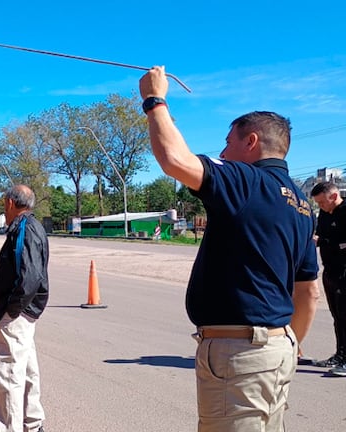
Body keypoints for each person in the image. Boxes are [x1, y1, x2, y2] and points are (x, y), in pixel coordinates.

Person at [139, 66, 320, 431]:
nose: (222, 150)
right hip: (278, 347)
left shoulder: (247, 181)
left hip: (242, 353)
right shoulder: (301, 206)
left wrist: (154, 100)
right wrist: (287, 345)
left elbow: (175, 160)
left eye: (228, 141)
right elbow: (309, 292)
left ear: (251, 142)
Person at [0, 185, 49, 432]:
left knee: (9, 375)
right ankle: (33, 424)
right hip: (24, 312)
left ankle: (12, 428)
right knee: (27, 370)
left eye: (4, 203)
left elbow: (29, 276)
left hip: (18, 314)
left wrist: (12, 309)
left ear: (10, 203)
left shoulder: (25, 228)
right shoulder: (29, 226)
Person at [310, 181, 346, 375]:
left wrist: (325, 242)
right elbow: (321, 236)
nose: (321, 207)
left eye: (323, 202)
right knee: (337, 316)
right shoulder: (324, 214)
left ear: (333, 196)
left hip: (345, 270)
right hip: (330, 270)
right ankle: (340, 355)